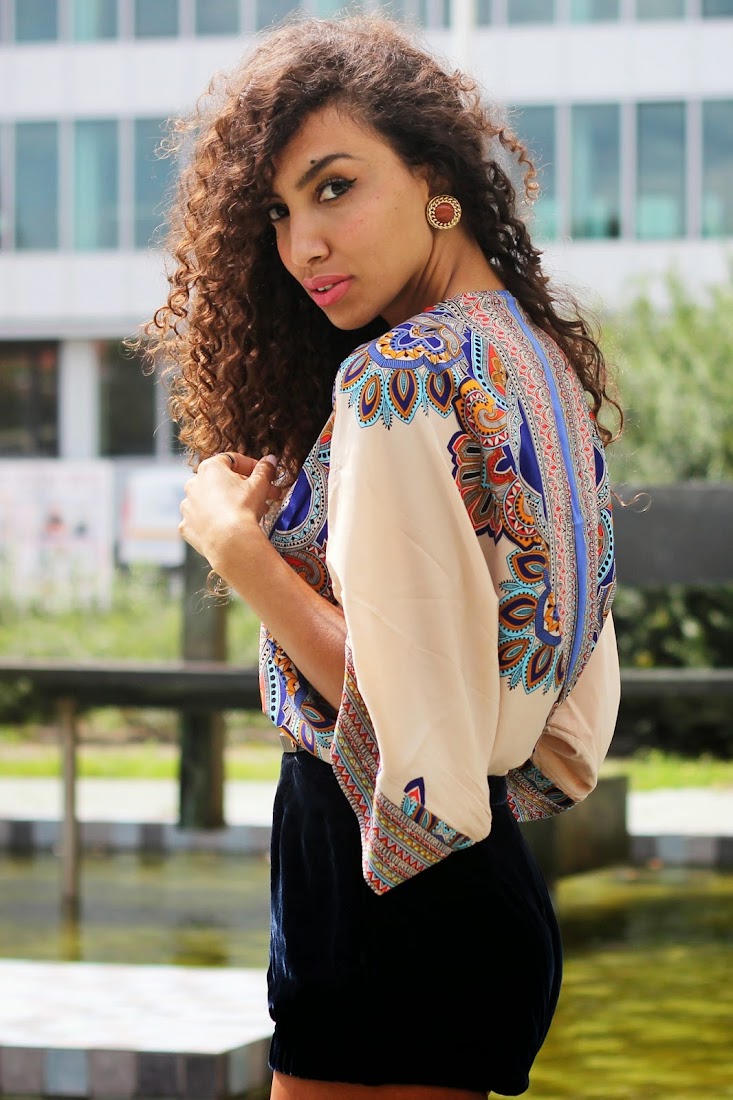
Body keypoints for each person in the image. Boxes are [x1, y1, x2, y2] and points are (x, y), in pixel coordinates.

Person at [140, 14, 621, 1099]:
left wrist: (236, 547)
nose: (303, 244)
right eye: (279, 210)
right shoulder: (531, 358)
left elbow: (394, 704)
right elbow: (560, 691)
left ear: (435, 179)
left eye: (334, 188)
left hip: (381, 891)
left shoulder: (394, 380)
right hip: (480, 883)